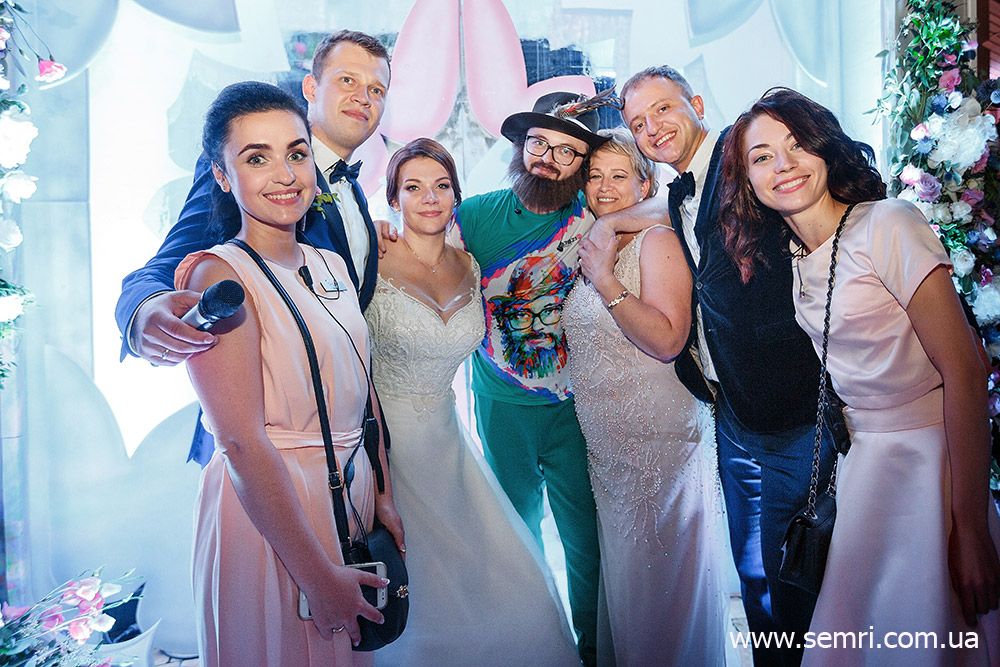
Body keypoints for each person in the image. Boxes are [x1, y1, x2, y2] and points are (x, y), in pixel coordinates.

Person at [719, 87, 1000, 665]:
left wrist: (970, 529)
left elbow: (967, 372)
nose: (784, 165)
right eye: (762, 157)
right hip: (863, 465)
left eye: (797, 144)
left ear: (824, 147)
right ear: (747, 181)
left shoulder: (887, 225)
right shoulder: (791, 256)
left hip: (929, 463)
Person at [595, 67, 847, 666]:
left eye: (663, 109)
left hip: (792, 411)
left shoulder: (746, 158)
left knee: (794, 577)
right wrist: (609, 221)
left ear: (697, 104)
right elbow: (671, 211)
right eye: (638, 122)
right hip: (733, 411)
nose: (652, 128)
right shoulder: (683, 188)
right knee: (753, 573)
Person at [174, 81, 401, 666]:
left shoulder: (330, 264)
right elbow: (240, 442)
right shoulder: (217, 274)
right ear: (223, 177)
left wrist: (382, 492)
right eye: (257, 158)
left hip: (347, 493)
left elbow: (362, 384)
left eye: (296, 153)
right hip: (271, 512)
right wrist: (318, 576)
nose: (285, 174)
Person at [450, 91, 666, 666]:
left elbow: (677, 208)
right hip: (499, 403)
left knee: (584, 542)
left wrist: (616, 219)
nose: (548, 158)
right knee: (516, 536)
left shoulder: (595, 218)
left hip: (577, 406)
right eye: (538, 143)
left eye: (568, 151)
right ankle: (532, 648)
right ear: (520, 146)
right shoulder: (473, 216)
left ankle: (592, 652)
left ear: (582, 164)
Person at [115, 29, 390, 462]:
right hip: (259, 443)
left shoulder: (354, 193)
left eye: (377, 89)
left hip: (344, 449)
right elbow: (169, 260)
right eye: (348, 80)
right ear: (311, 87)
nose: (363, 97)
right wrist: (142, 309)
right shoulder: (243, 168)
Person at [367, 138, 578, 666]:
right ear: (393, 198)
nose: (429, 198)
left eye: (441, 186)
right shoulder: (370, 259)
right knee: (416, 571)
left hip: (447, 435)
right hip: (387, 444)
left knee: (499, 575)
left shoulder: (469, 264)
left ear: (457, 197)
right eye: (413, 187)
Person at [564, 127, 727, 665]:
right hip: (611, 452)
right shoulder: (598, 241)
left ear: (646, 185)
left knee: (661, 586)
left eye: (619, 175)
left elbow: (667, 339)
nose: (605, 187)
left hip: (659, 444)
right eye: (595, 176)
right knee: (632, 585)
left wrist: (606, 281)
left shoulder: (657, 241)